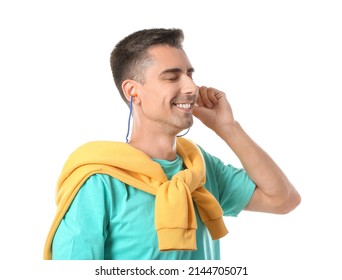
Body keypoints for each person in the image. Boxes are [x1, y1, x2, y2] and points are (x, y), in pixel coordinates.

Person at [43, 28, 301, 260]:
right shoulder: (98, 182)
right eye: (172, 77)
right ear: (133, 91)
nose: (191, 86)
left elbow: (283, 200)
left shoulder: (199, 169)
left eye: (190, 74)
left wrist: (228, 128)